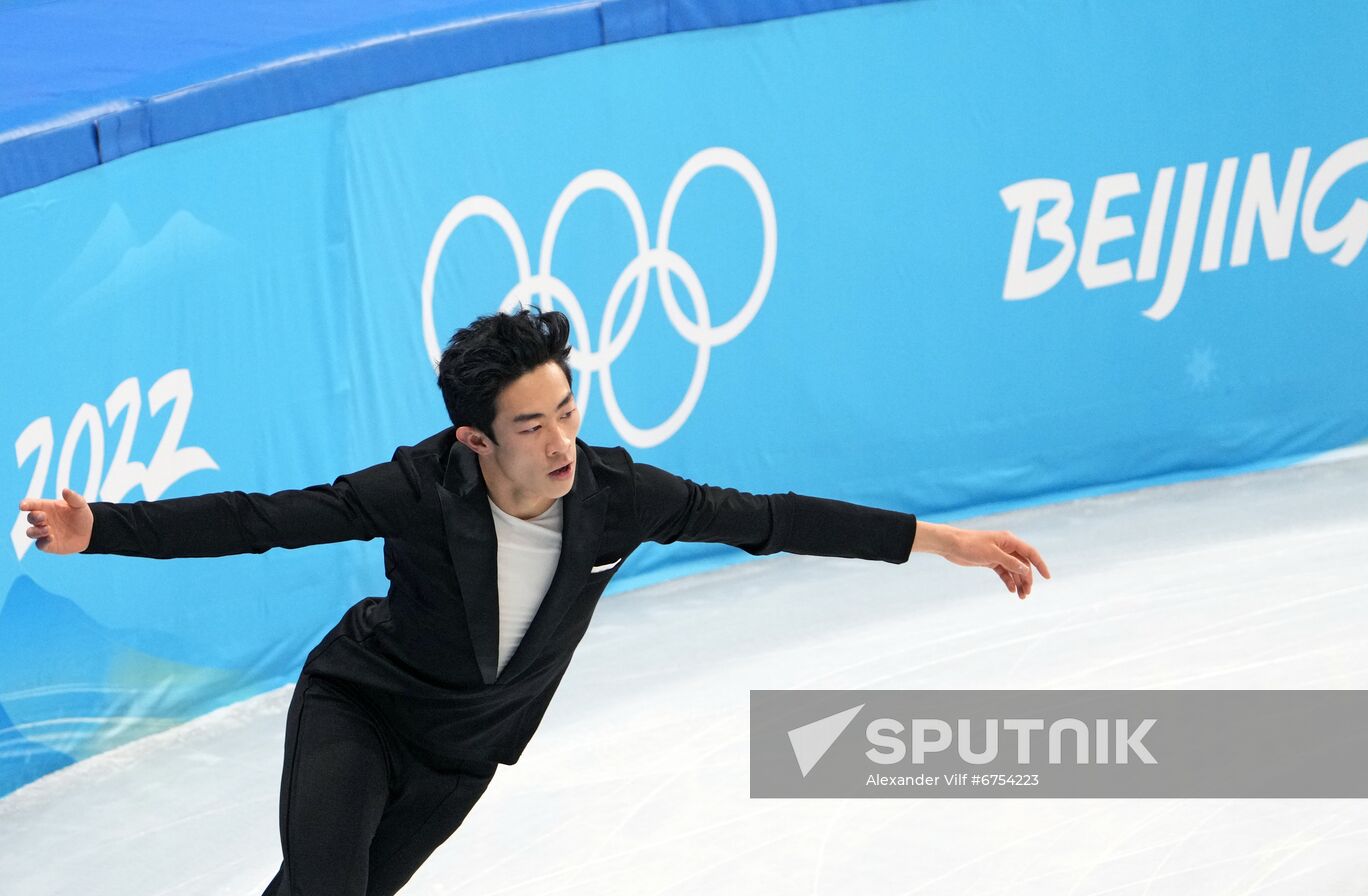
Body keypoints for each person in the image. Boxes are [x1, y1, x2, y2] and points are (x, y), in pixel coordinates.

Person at [19, 308, 1050, 895]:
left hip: (461, 755)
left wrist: (941, 539)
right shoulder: (417, 489)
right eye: (529, 426)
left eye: (565, 409)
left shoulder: (616, 497)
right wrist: (98, 525)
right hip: (362, 710)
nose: (560, 442)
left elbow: (767, 518)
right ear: (475, 438)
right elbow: (263, 519)